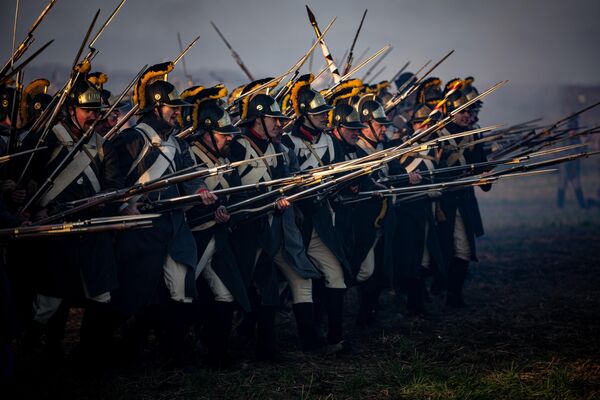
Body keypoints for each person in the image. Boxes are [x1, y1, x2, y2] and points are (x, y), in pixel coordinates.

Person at [111, 62, 218, 365]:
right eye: (172, 107)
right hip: (142, 227)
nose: (177, 112)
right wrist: (123, 206)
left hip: (174, 226)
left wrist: (198, 192)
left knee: (183, 287)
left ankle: (172, 352)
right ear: (156, 108)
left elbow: (190, 177)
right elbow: (111, 180)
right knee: (131, 295)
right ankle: (115, 352)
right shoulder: (131, 140)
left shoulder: (178, 144)